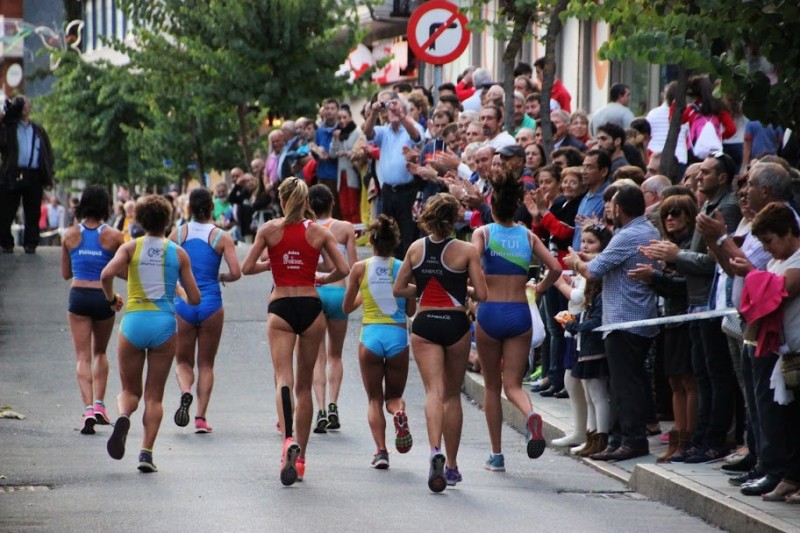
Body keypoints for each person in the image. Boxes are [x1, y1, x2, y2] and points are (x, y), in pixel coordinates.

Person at [241, 177, 349, 486]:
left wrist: (273, 264)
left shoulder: (269, 230)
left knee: (283, 379)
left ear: (282, 198)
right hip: (311, 307)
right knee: (304, 387)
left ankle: (288, 439)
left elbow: (247, 268)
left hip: (281, 307)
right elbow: (343, 269)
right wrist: (321, 278)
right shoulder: (318, 231)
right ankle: (300, 459)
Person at [393, 193, 487, 492]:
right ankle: (452, 466)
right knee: (451, 395)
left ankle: (435, 449)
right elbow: (482, 295)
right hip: (456, 324)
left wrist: (424, 289)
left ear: (428, 216)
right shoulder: (467, 250)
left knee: (433, 391)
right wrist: (461, 287)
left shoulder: (415, 249)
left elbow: (399, 288)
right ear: (455, 217)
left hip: (425, 323)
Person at [101, 195, 201, 473]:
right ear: (168, 221)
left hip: (133, 322)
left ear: (140, 221)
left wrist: (112, 301)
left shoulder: (130, 248)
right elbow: (195, 298)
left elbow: (105, 275)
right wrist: (178, 290)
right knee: (154, 397)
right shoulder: (178, 253)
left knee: (129, 391)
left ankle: (122, 416)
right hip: (164, 325)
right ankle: (146, 453)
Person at [472, 170, 561, 472]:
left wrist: (473, 292)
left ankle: (496, 455)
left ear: (492, 206)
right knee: (513, 385)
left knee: (491, 386)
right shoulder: (528, 235)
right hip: (520, 313)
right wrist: (540, 287)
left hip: (490, 311)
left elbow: (470, 269)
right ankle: (530, 416)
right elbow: (556, 268)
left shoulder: (482, 233)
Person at [565, 185, 661, 461]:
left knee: (624, 385)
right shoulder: (648, 231)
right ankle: (620, 438)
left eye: (612, 206)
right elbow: (611, 260)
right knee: (626, 382)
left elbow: (593, 272)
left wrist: (575, 261)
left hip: (624, 321)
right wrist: (589, 257)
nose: (610, 211)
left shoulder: (628, 234)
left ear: (619, 209)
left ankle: (632, 440)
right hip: (637, 319)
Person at [342, 215, 416, 469]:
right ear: (395, 242)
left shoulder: (360, 269)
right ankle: (398, 413)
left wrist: (363, 298)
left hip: (371, 336)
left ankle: (381, 451)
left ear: (371, 241)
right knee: (393, 396)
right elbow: (410, 311)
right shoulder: (404, 268)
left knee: (374, 399)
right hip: (397, 336)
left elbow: (345, 308)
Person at [629, 194, 698, 461]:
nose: (669, 218)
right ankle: (678, 437)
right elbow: (669, 286)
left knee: (688, 381)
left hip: (688, 317)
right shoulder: (669, 245)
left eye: (677, 213)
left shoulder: (689, 245)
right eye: (666, 214)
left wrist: (655, 275)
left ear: (689, 217)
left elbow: (687, 284)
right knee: (674, 381)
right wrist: (652, 275)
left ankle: (688, 438)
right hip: (670, 318)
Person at [168, 188, 241, 434]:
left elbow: (165, 266)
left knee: (183, 362)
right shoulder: (221, 237)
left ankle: (185, 391)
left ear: (188, 208)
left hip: (184, 304)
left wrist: (176, 287)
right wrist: (219, 276)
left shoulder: (178, 234)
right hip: (211, 303)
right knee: (207, 364)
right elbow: (236, 272)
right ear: (212, 207)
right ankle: (200, 418)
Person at [61, 185, 125, 434]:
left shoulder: (69, 235)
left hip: (78, 297)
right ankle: (100, 404)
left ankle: (87, 408)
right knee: (100, 353)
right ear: (106, 206)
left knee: (82, 357)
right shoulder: (115, 236)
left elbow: (66, 274)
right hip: (103, 296)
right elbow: (122, 271)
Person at [557, 223, 613, 457]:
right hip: (583, 341)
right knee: (588, 394)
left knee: (598, 395)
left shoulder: (598, 287)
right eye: (584, 241)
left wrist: (573, 324)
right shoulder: (589, 286)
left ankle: (600, 438)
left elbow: (594, 318)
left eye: (592, 242)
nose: (586, 248)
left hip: (592, 344)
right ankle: (590, 436)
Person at [307, 184, 357, 434]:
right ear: (332, 203)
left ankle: (320, 409)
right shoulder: (345, 228)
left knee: (318, 357)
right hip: (339, 292)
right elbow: (354, 265)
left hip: (314, 292)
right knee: (335, 355)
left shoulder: (307, 229)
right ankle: (334, 404)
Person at [0, 96, 56, 254]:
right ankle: (6, 242)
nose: (24, 108)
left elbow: (47, 153)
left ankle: (31, 243)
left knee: (33, 211)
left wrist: (49, 174)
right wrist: (6, 114)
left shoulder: (37, 129)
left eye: (26, 105)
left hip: (34, 174)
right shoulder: (9, 127)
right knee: (6, 209)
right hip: (12, 172)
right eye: (21, 105)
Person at [329, 104, 364, 224]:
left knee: (354, 205)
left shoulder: (357, 131)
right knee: (344, 207)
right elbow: (332, 154)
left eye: (345, 117)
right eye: (340, 118)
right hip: (341, 175)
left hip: (352, 173)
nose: (342, 121)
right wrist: (335, 139)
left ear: (350, 117)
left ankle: (357, 232)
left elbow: (357, 151)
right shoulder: (339, 133)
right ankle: (349, 230)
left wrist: (346, 153)